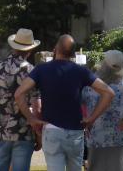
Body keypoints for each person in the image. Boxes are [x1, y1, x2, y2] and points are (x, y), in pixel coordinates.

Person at [16, 35, 115, 171]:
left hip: (51, 129)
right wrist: (92, 118)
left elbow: (19, 93)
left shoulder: (41, 69)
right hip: (75, 131)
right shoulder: (81, 71)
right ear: (74, 54)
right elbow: (109, 93)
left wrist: (31, 118)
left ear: (55, 49)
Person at [0, 28, 42, 171]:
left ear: (13, 47)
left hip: (1, 131)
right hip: (24, 133)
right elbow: (37, 107)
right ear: (30, 50)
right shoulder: (32, 71)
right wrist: (38, 134)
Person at [82, 50, 123, 171]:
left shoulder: (91, 83)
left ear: (104, 64)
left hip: (97, 137)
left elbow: (78, 101)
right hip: (119, 138)